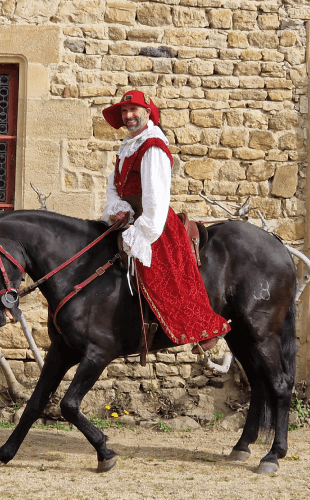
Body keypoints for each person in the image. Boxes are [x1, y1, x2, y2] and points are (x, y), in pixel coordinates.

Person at [101, 90, 229, 350]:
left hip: (153, 222)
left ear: (148, 113)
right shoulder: (126, 148)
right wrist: (117, 208)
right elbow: (114, 188)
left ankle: (204, 330)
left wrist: (141, 232)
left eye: (133, 110)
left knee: (164, 278)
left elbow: (156, 198)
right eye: (124, 112)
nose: (128, 116)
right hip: (128, 218)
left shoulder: (153, 146)